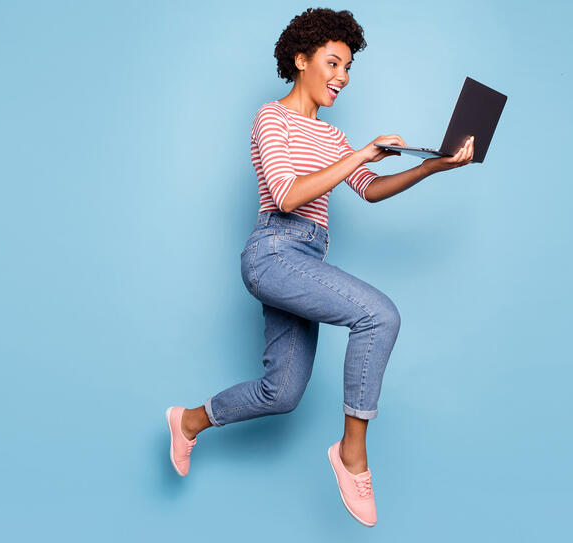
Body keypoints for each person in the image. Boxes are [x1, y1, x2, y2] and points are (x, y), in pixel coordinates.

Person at [164, 7, 473, 526]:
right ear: (301, 60)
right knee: (379, 315)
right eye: (333, 63)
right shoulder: (272, 116)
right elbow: (286, 196)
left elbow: (370, 191)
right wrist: (361, 154)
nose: (342, 77)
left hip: (306, 258)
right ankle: (352, 454)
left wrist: (431, 165)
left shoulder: (331, 138)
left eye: (348, 68)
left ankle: (188, 420)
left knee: (280, 393)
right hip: (273, 253)